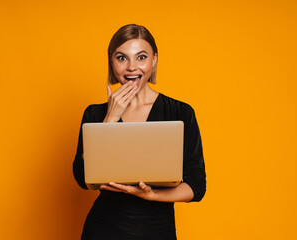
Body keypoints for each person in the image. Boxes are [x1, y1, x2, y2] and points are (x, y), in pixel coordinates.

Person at [73, 24, 206, 240]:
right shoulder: (95, 114)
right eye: (122, 57)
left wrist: (152, 194)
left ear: (154, 60)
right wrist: (111, 118)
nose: (132, 67)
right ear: (111, 61)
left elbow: (197, 186)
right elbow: (82, 177)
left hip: (157, 229)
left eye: (141, 57)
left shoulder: (181, 112)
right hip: (104, 229)